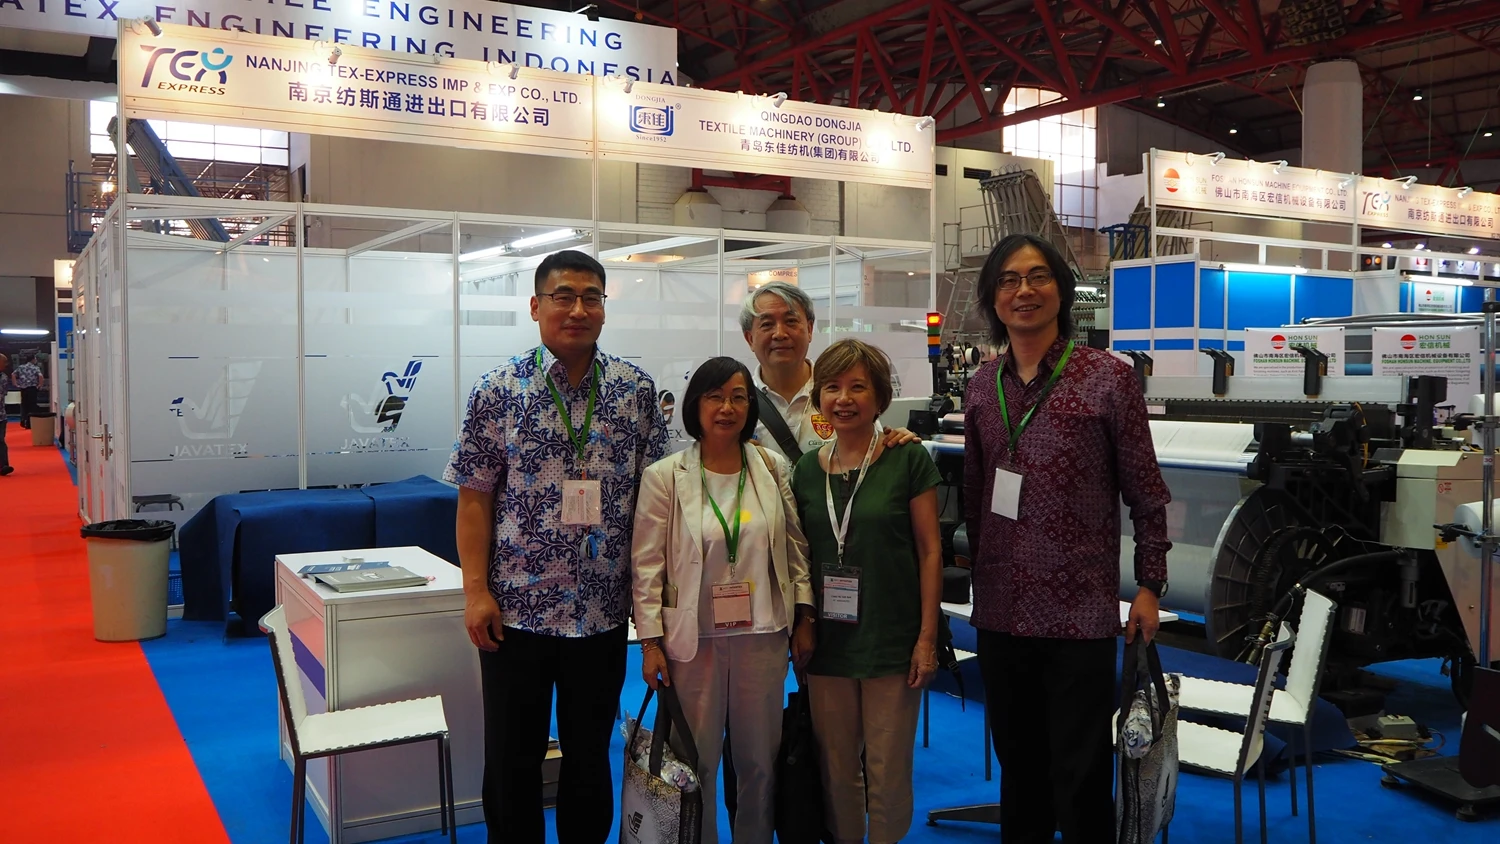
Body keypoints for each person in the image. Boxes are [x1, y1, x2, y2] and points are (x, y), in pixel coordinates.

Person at [444, 249, 668, 844]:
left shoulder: (635, 391)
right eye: (563, 296)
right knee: (511, 757)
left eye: (591, 297)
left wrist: (651, 609)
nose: (577, 309)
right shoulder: (498, 390)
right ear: (536, 306)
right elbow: (473, 499)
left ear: (604, 307)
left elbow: (656, 504)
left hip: (601, 612)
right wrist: (475, 592)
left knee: (590, 755)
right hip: (516, 611)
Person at [961, 233, 1171, 844]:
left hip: (1078, 611)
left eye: (1037, 277)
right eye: (1008, 280)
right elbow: (975, 491)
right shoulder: (982, 386)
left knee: (1081, 775)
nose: (1023, 291)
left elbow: (1146, 490)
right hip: (1001, 609)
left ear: (1061, 290)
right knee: (1019, 769)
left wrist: (1150, 585)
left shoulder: (1108, 379)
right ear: (993, 297)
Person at [631, 355, 816, 844]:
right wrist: (649, 642)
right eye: (715, 397)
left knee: (759, 762)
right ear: (696, 405)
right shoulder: (665, 476)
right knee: (698, 762)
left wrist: (805, 616)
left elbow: (795, 547)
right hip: (693, 642)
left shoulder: (771, 467)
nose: (727, 408)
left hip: (763, 636)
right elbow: (646, 566)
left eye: (738, 397)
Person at [790, 338, 943, 844]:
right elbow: (799, 558)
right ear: (819, 397)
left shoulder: (907, 458)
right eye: (832, 387)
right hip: (828, 644)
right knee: (835, 767)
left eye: (858, 387)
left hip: (891, 639)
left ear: (879, 397)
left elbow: (930, 552)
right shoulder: (806, 471)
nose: (844, 399)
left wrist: (926, 639)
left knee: (887, 768)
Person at [740, 282, 914, 460]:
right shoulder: (739, 401)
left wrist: (897, 443)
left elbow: (872, 449)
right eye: (767, 324)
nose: (780, 334)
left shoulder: (841, 392)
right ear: (750, 338)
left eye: (791, 321)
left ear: (809, 329)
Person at [12, 353, 43, 430]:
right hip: (32, 389)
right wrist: (40, 385)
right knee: (32, 406)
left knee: (24, 405)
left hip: (23, 389)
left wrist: (15, 384)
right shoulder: (35, 368)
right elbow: (40, 376)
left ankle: (23, 420)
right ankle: (29, 423)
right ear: (33, 359)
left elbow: (13, 374)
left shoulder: (21, 367)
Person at [0, 353, 12, 475]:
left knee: (1, 441)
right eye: (4, 361)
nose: (6, 364)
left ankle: (4, 466)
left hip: (1, 415)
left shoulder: (4, 377)